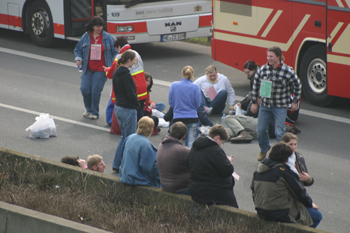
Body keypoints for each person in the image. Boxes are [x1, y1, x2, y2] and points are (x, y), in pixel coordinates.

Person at [250, 142, 322, 228]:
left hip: (261, 211)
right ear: (287, 159)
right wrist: (310, 204)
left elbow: (253, 190)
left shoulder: (258, 170)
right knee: (317, 215)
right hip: (281, 213)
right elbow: (299, 192)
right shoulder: (284, 172)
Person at [250, 46, 302, 161]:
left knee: (279, 132)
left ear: (278, 57)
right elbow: (255, 86)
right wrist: (254, 102)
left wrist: (295, 101)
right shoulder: (263, 69)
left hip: (280, 106)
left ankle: (282, 155)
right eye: (268, 56)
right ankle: (264, 149)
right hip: (265, 105)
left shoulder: (287, 70)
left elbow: (298, 85)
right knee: (261, 130)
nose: (269, 58)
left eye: (271, 56)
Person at [74, 16, 117, 119]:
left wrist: (115, 60)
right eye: (97, 26)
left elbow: (115, 51)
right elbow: (78, 49)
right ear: (92, 26)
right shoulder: (86, 36)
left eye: (101, 26)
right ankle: (88, 109)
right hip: (87, 68)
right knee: (84, 89)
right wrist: (78, 58)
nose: (99, 28)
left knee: (95, 91)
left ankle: (94, 112)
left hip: (101, 69)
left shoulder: (107, 37)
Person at [188, 125, 238, 208]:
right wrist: (228, 162)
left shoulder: (196, 146)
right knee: (233, 208)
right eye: (222, 142)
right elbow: (228, 170)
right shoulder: (215, 150)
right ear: (217, 138)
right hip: (212, 192)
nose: (221, 145)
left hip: (196, 188)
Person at [104, 36, 147, 123]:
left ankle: (112, 123)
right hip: (142, 88)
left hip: (130, 89)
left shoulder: (120, 56)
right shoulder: (136, 53)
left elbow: (112, 73)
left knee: (117, 107)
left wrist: (106, 70)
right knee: (139, 113)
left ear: (119, 47)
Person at [112, 51, 140, 172]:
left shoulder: (116, 72)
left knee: (124, 137)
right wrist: (137, 105)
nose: (134, 62)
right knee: (130, 140)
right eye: (134, 60)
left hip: (118, 108)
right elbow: (131, 93)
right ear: (129, 60)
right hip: (128, 109)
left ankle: (117, 164)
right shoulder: (126, 75)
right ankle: (126, 167)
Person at [119, 116, 161, 188]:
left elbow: (121, 156)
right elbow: (151, 168)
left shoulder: (130, 137)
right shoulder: (146, 145)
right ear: (151, 129)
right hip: (137, 180)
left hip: (125, 176)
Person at [168, 65, 201, 148]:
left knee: (173, 145)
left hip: (177, 118)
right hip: (192, 118)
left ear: (182, 73)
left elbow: (171, 103)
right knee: (190, 146)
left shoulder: (174, 85)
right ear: (192, 74)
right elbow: (197, 105)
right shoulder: (195, 87)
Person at [157, 122, 190, 195]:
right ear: (184, 135)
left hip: (164, 184)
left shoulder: (161, 144)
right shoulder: (182, 150)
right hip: (180, 188)